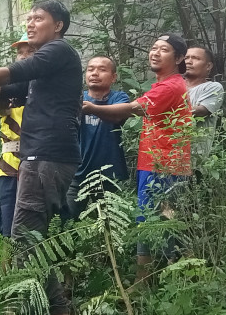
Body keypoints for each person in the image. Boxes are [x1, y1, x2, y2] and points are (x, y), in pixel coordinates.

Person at [0, 0, 83, 315]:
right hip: (42, 157)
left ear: (58, 25)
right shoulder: (44, 70)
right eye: (29, 18)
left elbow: (15, 72)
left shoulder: (58, 51)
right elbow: (7, 89)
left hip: (46, 156)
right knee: (30, 237)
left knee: (24, 239)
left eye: (38, 18)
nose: (30, 23)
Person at [81, 34, 193, 284]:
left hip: (164, 165)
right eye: (153, 48)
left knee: (159, 219)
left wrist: (93, 108)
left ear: (179, 58)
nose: (155, 53)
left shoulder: (170, 86)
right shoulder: (163, 85)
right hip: (155, 163)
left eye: (163, 50)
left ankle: (159, 281)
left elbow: (135, 108)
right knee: (151, 218)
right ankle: (157, 279)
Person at [65, 56, 131, 221]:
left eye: (102, 70)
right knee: (66, 221)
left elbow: (119, 115)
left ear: (113, 77)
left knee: (109, 224)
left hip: (108, 174)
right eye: (90, 69)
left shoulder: (119, 98)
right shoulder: (75, 98)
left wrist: (93, 109)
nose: (95, 73)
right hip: (76, 173)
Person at [0, 33, 35, 238]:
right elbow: (1, 109)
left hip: (35, 162)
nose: (23, 56)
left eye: (30, 51)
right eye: (20, 52)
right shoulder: (9, 88)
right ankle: (9, 259)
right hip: (9, 166)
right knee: (8, 223)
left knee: (33, 223)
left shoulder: (47, 88)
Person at [183, 44, 225, 171]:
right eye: (186, 58)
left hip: (195, 159)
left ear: (208, 66)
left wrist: (163, 110)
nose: (189, 61)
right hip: (164, 156)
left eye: (195, 58)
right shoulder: (172, 85)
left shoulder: (213, 87)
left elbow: (201, 111)